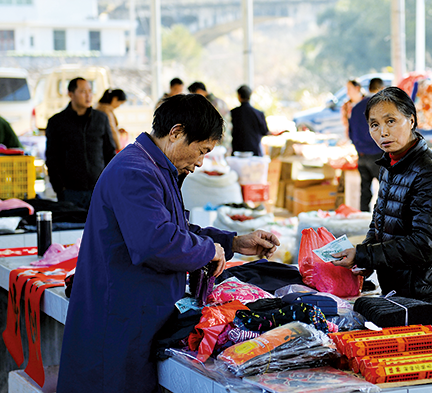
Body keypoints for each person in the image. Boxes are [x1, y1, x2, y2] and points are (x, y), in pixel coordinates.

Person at [56, 93, 280, 393]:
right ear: (176, 133)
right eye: (201, 151)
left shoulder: (154, 167)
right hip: (119, 321)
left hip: (138, 315)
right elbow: (154, 241)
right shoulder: (135, 171)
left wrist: (233, 242)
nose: (201, 162)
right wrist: (208, 250)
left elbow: (176, 228)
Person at [331, 87, 432, 319]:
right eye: (375, 125)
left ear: (411, 120)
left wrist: (364, 255)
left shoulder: (428, 171)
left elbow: (424, 245)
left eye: (391, 121)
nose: (383, 132)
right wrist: (364, 257)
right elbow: (379, 224)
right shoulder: (390, 165)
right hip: (399, 291)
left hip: (428, 298)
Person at [45, 77, 116, 210]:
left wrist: (109, 184)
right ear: (70, 94)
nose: (88, 95)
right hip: (70, 191)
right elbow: (52, 158)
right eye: (83, 91)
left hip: (98, 188)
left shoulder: (101, 119)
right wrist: (60, 188)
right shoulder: (57, 122)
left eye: (90, 91)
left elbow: (109, 152)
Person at [348, 77, 385, 211]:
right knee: (385, 191)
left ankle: (363, 220)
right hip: (378, 154)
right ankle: (382, 222)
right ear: (381, 89)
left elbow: (350, 133)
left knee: (365, 191)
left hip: (362, 155)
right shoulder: (381, 107)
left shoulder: (356, 108)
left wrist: (359, 149)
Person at [230, 85, 269, 156]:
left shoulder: (233, 113)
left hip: (237, 151)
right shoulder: (259, 114)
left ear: (239, 96)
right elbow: (265, 131)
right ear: (250, 96)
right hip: (254, 151)